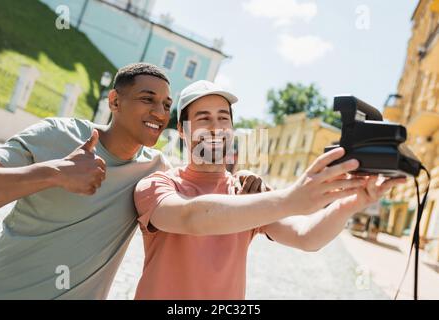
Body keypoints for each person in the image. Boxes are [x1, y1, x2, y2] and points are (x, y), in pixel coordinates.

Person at [133, 80, 407, 300]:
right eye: (203, 118)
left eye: (223, 118)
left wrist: (352, 201)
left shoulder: (249, 193)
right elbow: (191, 218)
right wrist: (291, 198)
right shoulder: (157, 185)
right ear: (181, 130)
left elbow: (307, 237)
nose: (216, 128)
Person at [0, 63, 177, 299]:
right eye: (147, 99)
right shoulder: (56, 134)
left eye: (167, 105)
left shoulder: (157, 171)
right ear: (115, 101)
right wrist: (55, 173)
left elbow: (199, 207)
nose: (160, 113)